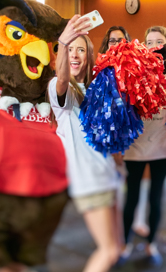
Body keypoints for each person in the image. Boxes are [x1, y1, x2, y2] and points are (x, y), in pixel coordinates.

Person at [49, 15, 120, 272]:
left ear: (90, 56)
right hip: (89, 180)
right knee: (108, 250)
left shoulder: (96, 88)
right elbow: (62, 80)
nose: (75, 54)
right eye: (71, 50)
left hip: (107, 175)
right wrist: (64, 42)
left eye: (81, 49)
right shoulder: (60, 89)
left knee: (118, 247)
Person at [118, 26, 166, 267]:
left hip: (162, 144)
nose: (153, 45)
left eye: (159, 41)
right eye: (149, 41)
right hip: (135, 143)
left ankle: (150, 244)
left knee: (155, 197)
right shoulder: (133, 69)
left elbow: (157, 98)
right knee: (131, 197)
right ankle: (124, 244)